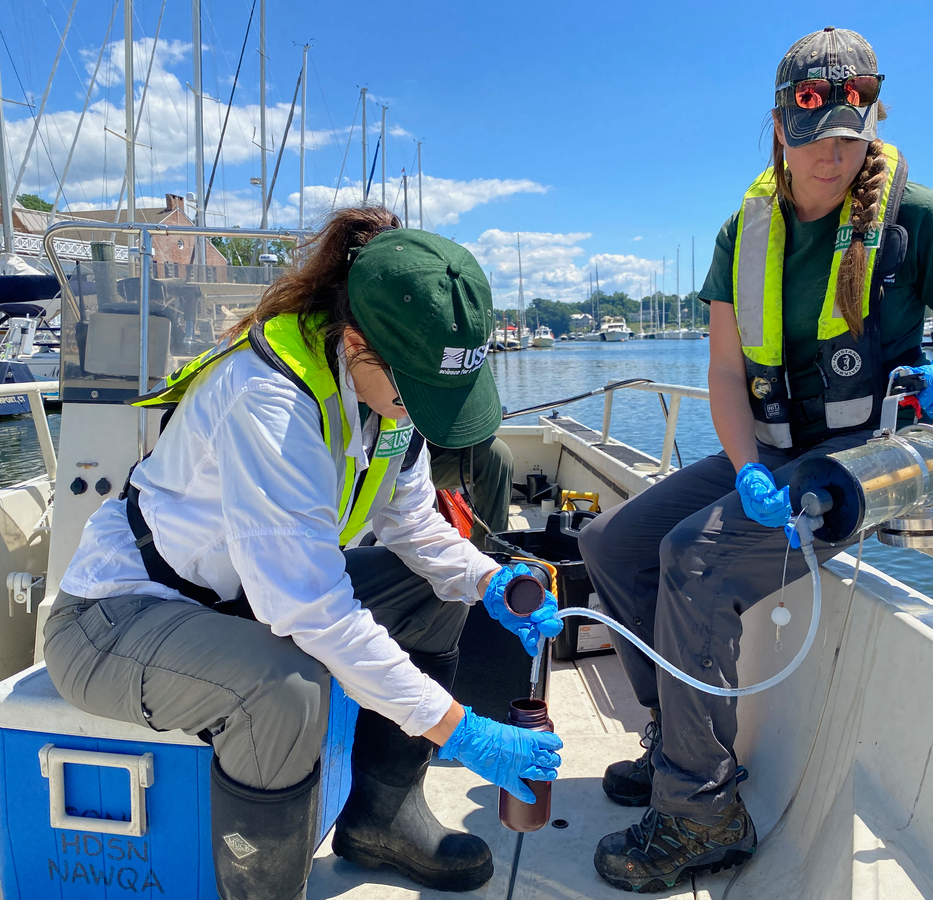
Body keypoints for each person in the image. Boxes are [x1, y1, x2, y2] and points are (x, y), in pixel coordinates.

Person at [579, 27, 933, 893]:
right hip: (770, 458)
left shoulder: (914, 218)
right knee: (614, 547)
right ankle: (677, 745)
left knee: (694, 560)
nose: (833, 158)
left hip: (860, 472)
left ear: (871, 129)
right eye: (815, 139)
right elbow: (727, 374)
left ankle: (702, 813)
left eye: (852, 141)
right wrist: (743, 468)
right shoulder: (744, 230)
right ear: (780, 129)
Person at [42, 207, 564, 899]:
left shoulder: (387, 402)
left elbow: (411, 522)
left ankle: (381, 822)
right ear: (354, 342)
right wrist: (462, 730)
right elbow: (312, 611)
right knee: (283, 691)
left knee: (432, 587)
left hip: (241, 601)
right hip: (115, 620)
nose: (425, 410)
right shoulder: (269, 402)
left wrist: (487, 582)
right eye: (420, 389)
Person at [429, 437, 515, 546]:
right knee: (421, 461)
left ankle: (488, 550)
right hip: (406, 454)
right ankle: (425, 551)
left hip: (434, 441)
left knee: (496, 453)